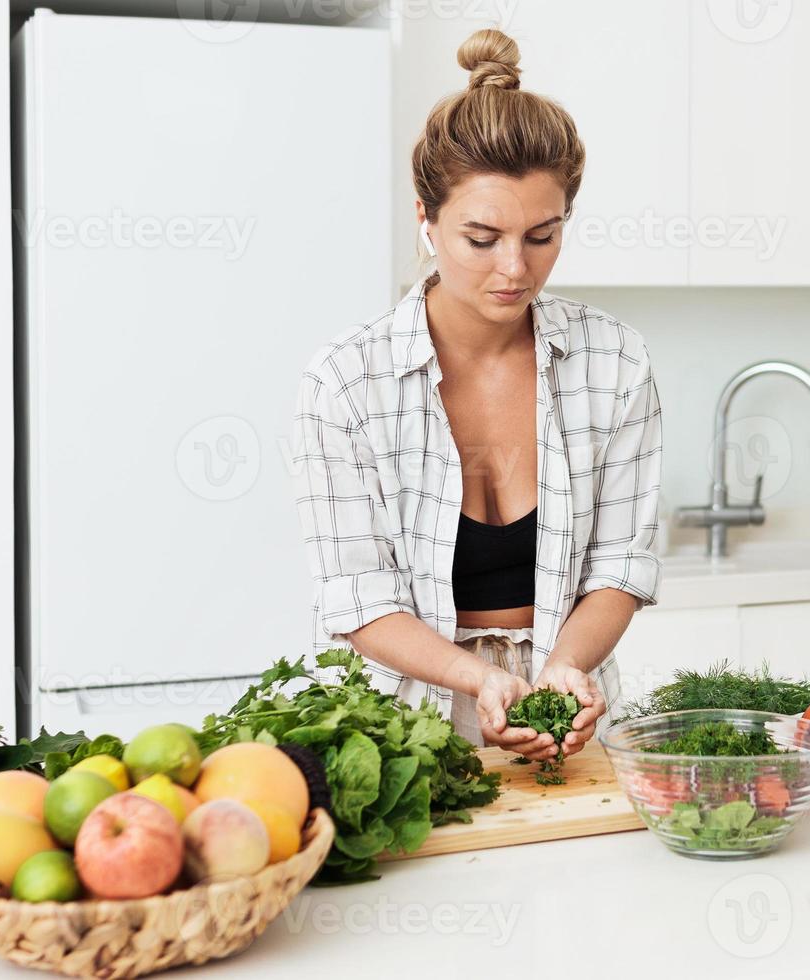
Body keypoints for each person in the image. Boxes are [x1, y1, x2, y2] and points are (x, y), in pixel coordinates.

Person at [292, 28, 663, 762]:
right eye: (482, 237)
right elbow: (358, 599)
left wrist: (563, 671)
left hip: (571, 713)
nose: (515, 269)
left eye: (543, 235)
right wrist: (477, 678)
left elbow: (621, 566)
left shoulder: (615, 362)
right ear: (426, 221)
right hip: (392, 727)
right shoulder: (344, 382)